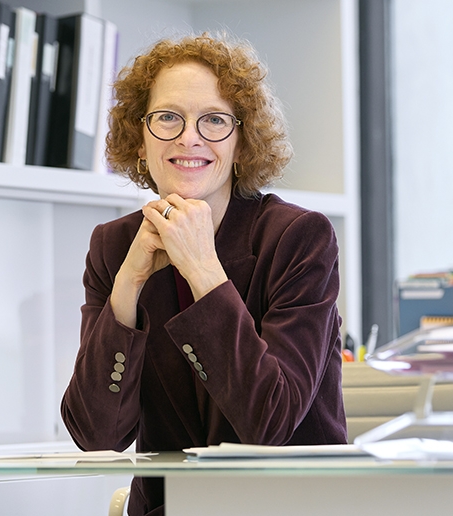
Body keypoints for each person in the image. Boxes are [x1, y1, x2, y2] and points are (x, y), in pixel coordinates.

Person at [61, 32, 347, 515]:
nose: (188, 137)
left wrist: (203, 270)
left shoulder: (297, 238)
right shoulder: (113, 247)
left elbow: (269, 424)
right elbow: (97, 436)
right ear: (140, 137)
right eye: (167, 117)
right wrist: (126, 288)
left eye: (213, 120)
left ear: (242, 140)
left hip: (288, 508)